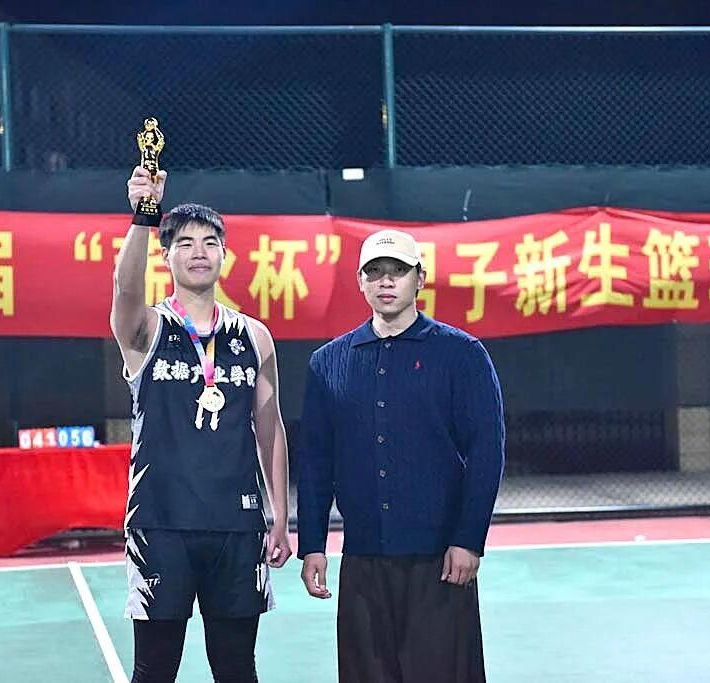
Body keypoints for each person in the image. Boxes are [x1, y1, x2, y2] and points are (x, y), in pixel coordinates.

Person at [297, 229, 505, 682]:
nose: (386, 281)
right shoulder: (328, 363)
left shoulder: (462, 354)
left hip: (439, 560)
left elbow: (486, 453)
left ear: (420, 279)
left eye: (398, 271)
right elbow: (315, 461)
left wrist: (469, 539)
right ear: (360, 281)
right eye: (374, 272)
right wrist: (312, 544)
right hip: (364, 559)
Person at [112, 166, 292, 683]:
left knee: (236, 667)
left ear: (224, 256)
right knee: (155, 669)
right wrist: (144, 215)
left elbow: (270, 427)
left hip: (237, 525)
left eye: (210, 243)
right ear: (166, 255)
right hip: (160, 523)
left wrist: (281, 516)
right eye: (185, 243)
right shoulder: (146, 329)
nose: (199, 252)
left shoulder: (253, 336)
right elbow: (124, 288)